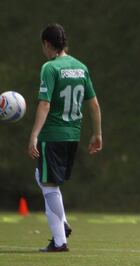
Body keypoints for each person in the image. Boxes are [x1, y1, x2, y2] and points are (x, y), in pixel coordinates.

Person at [28, 23, 102, 252]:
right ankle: (63, 223)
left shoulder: (50, 68)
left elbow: (44, 103)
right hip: (73, 135)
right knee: (42, 176)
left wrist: (34, 135)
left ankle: (60, 240)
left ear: (46, 44)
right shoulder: (81, 67)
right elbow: (94, 104)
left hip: (52, 135)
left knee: (49, 184)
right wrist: (97, 133)